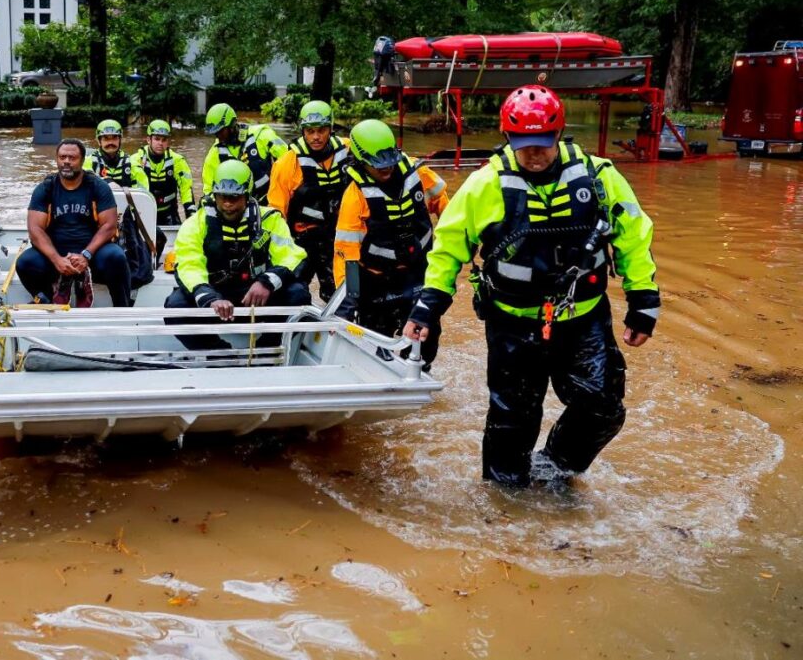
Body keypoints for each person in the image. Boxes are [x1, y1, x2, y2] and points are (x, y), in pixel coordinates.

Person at [403, 85, 660, 488]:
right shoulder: (483, 186)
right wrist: (427, 307)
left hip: (582, 317)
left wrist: (643, 301)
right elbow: (448, 248)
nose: (534, 154)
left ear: (559, 134)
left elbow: (633, 235)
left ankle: (556, 467)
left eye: (543, 143)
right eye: (524, 145)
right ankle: (506, 503)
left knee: (603, 405)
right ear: (507, 137)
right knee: (512, 419)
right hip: (512, 322)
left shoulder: (599, 177)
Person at [333, 119, 448, 363]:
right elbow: (346, 250)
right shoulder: (355, 197)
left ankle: (419, 373)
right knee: (375, 348)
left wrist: (460, 240)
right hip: (375, 280)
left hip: (417, 272)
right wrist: (347, 298)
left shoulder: (419, 175)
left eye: (389, 163)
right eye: (378, 166)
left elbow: (447, 207)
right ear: (361, 160)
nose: (386, 169)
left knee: (425, 339)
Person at [165, 159, 310, 352]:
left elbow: (292, 256)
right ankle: (219, 353)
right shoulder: (196, 224)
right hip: (216, 297)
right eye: (221, 197)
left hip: (257, 296)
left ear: (247, 196)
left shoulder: (269, 220)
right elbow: (189, 264)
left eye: (234, 198)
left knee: (298, 295)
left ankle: (265, 349)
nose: (227, 204)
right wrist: (209, 298)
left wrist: (267, 282)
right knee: (175, 307)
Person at [17, 138, 133, 307]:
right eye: (62, 157)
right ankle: (48, 300)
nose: (66, 162)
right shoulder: (46, 188)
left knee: (116, 257)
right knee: (25, 262)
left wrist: (86, 255)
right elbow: (35, 229)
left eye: (72, 158)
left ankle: (122, 308)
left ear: (82, 161)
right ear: (57, 159)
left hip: (93, 254)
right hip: (55, 255)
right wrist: (57, 259)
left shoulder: (98, 186)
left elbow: (109, 226)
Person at [268, 100, 352, 301]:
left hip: (337, 238)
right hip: (302, 240)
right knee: (292, 292)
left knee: (342, 294)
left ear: (330, 129)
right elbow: (276, 213)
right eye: (310, 131)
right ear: (303, 131)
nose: (316, 137)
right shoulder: (287, 164)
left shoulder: (348, 150)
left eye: (321, 130)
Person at [131, 119, 195, 258]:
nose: (160, 143)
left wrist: (190, 213)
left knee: (183, 245)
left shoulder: (177, 161)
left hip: (169, 212)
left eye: (164, 140)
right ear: (148, 139)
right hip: (145, 214)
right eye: (157, 139)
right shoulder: (136, 160)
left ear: (168, 142)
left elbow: (186, 189)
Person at [200, 103, 288, 205]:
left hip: (269, 200)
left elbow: (288, 160)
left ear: (232, 125)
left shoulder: (261, 135)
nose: (218, 136)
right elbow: (209, 188)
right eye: (215, 133)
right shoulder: (214, 154)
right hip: (237, 208)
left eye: (221, 131)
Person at [83, 119, 148, 189]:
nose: (110, 142)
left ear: (120, 140)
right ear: (99, 141)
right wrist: (106, 181)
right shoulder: (87, 162)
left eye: (114, 138)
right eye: (106, 138)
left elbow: (145, 192)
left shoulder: (133, 165)